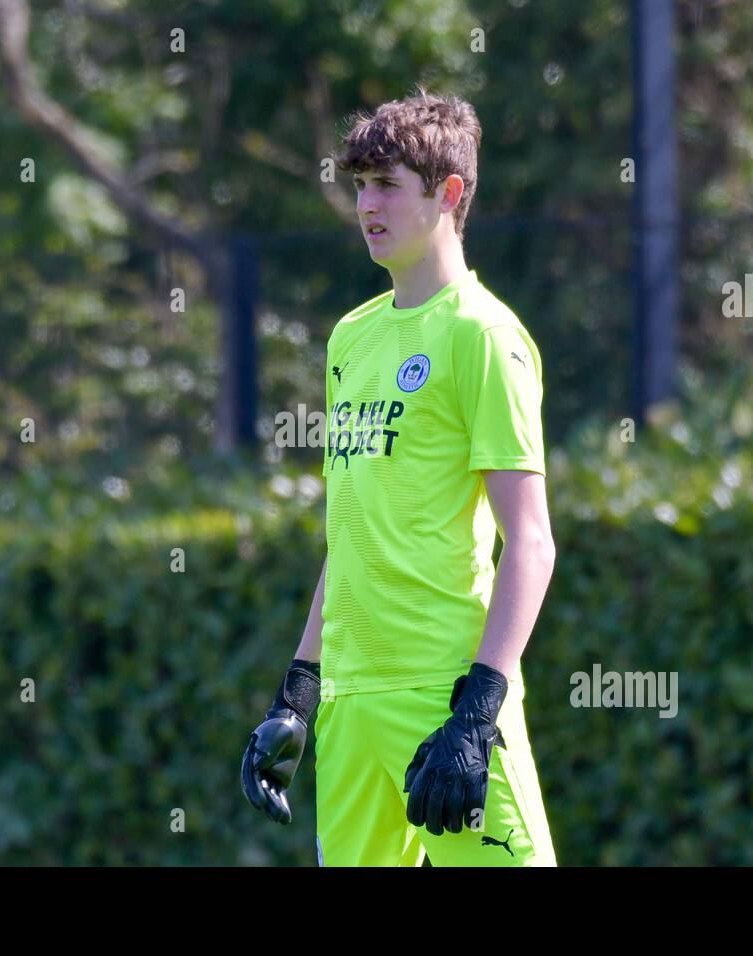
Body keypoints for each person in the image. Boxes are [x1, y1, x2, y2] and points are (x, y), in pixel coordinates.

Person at [242, 86, 558, 866]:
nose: (366, 205)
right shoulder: (351, 338)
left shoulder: (483, 336)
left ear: (449, 194)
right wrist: (299, 693)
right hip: (350, 705)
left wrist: (477, 713)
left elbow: (532, 543)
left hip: (444, 695)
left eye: (387, 184)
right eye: (359, 186)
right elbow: (351, 532)